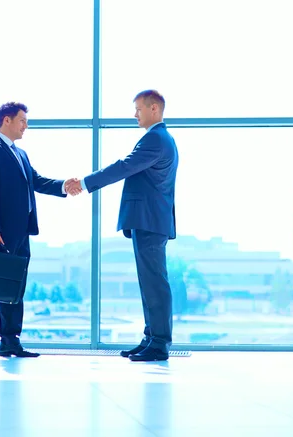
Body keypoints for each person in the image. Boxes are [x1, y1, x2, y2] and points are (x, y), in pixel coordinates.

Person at [0, 102, 81, 358]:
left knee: (14, 286)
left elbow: (37, 181)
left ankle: (10, 340)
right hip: (1, 232)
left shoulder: (21, 154)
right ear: (7, 120)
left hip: (22, 231)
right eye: (22, 120)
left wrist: (63, 186)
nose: (26, 126)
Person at [66, 89, 178, 362]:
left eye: (138, 109)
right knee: (149, 283)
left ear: (154, 109)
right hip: (149, 221)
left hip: (150, 221)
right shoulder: (160, 139)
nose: (135, 114)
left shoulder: (156, 139)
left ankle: (160, 342)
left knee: (154, 283)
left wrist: (85, 182)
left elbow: (124, 167)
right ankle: (151, 338)